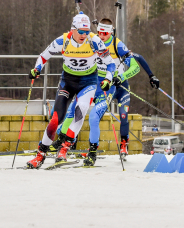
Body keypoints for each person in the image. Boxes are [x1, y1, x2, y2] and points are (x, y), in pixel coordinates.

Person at [53, 18, 159, 166]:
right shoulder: (91, 40)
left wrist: (121, 77)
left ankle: (93, 153)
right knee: (73, 111)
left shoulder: (117, 45)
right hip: (91, 83)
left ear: (111, 32)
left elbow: (135, 65)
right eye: (100, 32)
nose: (102, 36)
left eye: (105, 33)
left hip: (108, 87)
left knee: (94, 118)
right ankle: (60, 143)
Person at [27, 13, 115, 169]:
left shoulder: (94, 41)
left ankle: (64, 149)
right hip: (68, 82)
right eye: (81, 31)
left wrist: (108, 79)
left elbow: (111, 64)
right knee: (55, 119)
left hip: (87, 83)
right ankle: (40, 155)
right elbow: (43, 56)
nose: (84, 35)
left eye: (87, 31)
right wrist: (36, 69)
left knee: (80, 110)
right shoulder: (63, 40)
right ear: (73, 29)